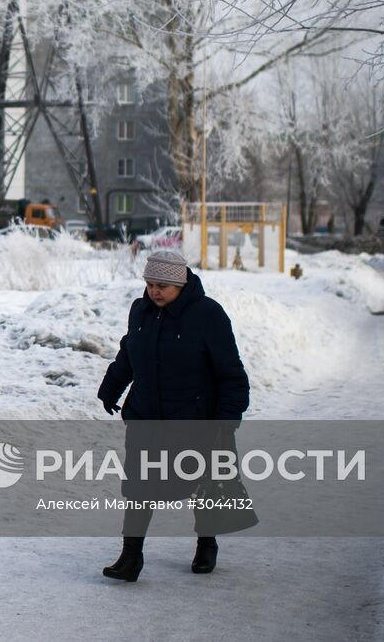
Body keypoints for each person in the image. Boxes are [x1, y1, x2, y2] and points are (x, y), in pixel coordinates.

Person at [96, 248, 251, 582]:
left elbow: (232, 374)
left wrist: (227, 419)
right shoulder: (140, 311)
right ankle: (130, 556)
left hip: (194, 420)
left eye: (162, 285)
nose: (154, 291)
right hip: (146, 417)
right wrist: (111, 387)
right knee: (137, 486)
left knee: (204, 484)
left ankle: (207, 544)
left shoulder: (208, 315)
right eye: (150, 283)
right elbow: (129, 353)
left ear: (180, 283)